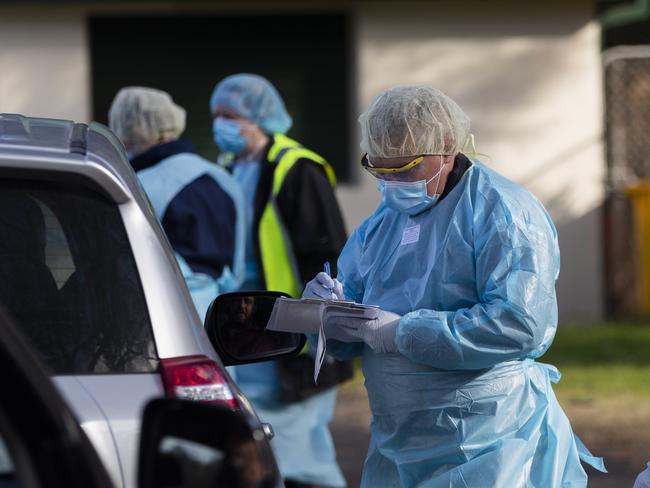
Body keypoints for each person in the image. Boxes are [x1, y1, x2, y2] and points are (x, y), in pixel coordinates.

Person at [303, 85, 607, 487]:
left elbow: (518, 322)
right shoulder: (384, 220)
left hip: (488, 439)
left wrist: (404, 332)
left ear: (447, 147)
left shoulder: (503, 211)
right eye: (380, 170)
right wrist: (330, 314)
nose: (392, 182)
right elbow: (358, 300)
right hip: (397, 442)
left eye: (405, 168)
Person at [209, 74, 347, 488]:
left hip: (292, 329)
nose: (221, 126)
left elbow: (325, 253)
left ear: (258, 117)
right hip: (252, 322)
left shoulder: (296, 167)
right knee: (269, 437)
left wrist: (319, 322)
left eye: (230, 116)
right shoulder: (231, 167)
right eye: (215, 117)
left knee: (295, 446)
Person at [109, 87, 245, 319]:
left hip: (164, 321)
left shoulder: (141, 184)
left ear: (128, 127)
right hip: (222, 319)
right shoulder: (219, 176)